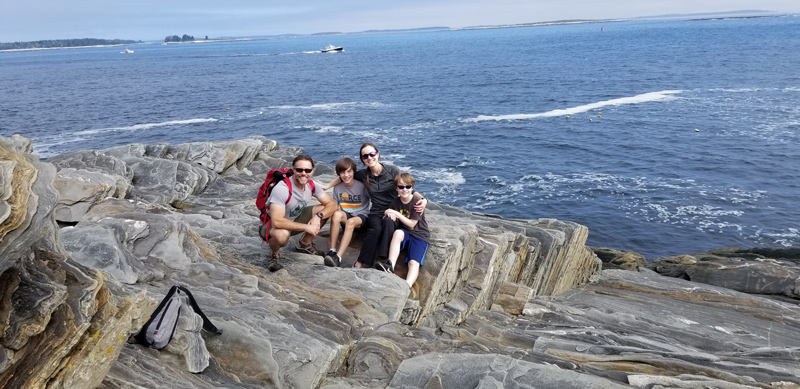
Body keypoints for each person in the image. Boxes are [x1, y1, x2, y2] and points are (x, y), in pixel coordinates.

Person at [324, 143, 427, 269]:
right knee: (375, 229)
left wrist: (423, 199)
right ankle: (362, 262)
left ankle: (383, 260)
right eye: (365, 156)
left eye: (372, 154)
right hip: (376, 212)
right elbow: (343, 177)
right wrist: (328, 186)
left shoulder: (392, 171)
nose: (369, 158)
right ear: (362, 159)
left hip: (394, 209)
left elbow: (406, 185)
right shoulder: (363, 175)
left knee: (388, 222)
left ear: (377, 154)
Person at [261, 155, 338, 272]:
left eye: (307, 170)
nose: (304, 173)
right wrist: (307, 227)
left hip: (295, 218)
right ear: (293, 170)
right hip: (272, 225)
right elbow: (277, 221)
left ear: (312, 171)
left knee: (324, 209)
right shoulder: (282, 189)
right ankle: (274, 254)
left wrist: (318, 217)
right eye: (299, 170)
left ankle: (305, 243)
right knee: (282, 235)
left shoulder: (312, 185)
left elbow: (332, 204)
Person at [376, 173, 429, 290]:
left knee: (413, 263)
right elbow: (390, 214)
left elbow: (411, 223)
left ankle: (407, 285)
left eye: (408, 187)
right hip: (406, 233)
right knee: (397, 233)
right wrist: (389, 213)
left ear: (412, 187)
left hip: (420, 235)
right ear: (396, 189)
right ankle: (390, 265)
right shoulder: (396, 202)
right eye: (401, 187)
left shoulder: (417, 201)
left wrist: (396, 214)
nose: (404, 189)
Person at [324, 158, 370, 267]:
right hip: (346, 215)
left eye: (349, 171)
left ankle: (338, 258)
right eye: (343, 172)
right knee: (336, 214)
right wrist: (331, 238)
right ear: (339, 174)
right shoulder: (337, 188)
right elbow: (334, 207)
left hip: (361, 216)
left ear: (354, 172)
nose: (346, 175)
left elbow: (376, 198)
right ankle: (332, 250)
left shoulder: (362, 186)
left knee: (350, 222)